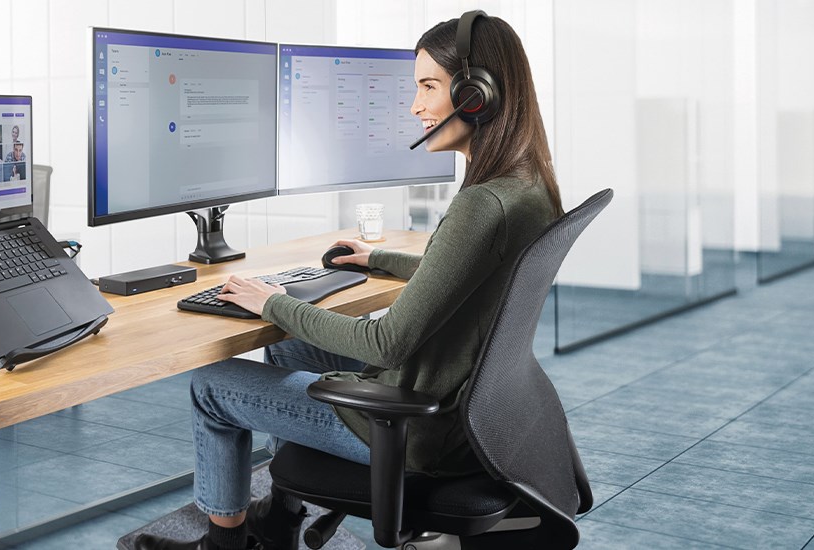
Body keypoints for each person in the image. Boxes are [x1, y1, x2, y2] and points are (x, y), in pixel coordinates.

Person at [134, 12, 564, 550]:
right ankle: (280, 519)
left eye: (429, 86)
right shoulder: (527, 185)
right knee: (289, 351)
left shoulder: (482, 205)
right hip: (464, 407)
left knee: (212, 385)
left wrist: (271, 301)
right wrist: (378, 259)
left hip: (416, 428)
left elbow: (386, 341)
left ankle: (229, 545)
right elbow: (469, 274)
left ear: (478, 95)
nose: (416, 107)